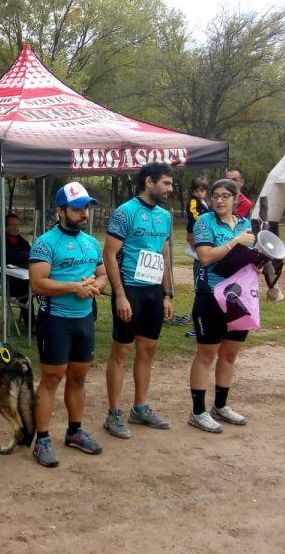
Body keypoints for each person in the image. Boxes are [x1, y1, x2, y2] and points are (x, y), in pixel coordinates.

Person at [29, 182, 107, 467]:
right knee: (51, 379)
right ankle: (43, 440)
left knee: (78, 378)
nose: (84, 213)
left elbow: (101, 275)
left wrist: (93, 287)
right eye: (77, 208)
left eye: (86, 207)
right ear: (60, 210)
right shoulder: (45, 242)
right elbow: (37, 283)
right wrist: (75, 287)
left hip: (84, 320)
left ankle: (74, 432)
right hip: (55, 321)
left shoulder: (91, 242)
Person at [102, 163, 175, 439]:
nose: (170, 189)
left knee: (148, 350)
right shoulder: (125, 212)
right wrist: (119, 294)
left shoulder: (164, 216)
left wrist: (167, 294)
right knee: (121, 352)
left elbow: (165, 255)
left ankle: (140, 408)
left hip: (153, 292)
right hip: (129, 290)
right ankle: (113, 414)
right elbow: (109, 254)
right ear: (149, 181)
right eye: (166, 183)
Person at [188, 178, 255, 433]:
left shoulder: (245, 224)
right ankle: (197, 411)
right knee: (206, 355)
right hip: (210, 295)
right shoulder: (205, 222)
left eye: (225, 195)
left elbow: (246, 255)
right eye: (215, 195)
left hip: (238, 296)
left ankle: (221, 406)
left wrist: (257, 262)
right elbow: (205, 257)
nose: (219, 200)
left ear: (236, 199)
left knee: (230, 354)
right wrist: (235, 242)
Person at [0, 213, 33, 322]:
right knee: (26, 289)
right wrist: (22, 257)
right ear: (6, 226)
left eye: (18, 225)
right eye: (13, 225)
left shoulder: (23, 242)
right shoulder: (0, 243)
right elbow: (8, 258)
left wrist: (21, 257)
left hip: (27, 278)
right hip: (10, 282)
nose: (16, 228)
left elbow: (30, 254)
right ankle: (31, 323)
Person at [183, 176, 210, 337]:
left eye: (204, 189)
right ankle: (198, 325)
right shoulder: (193, 202)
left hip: (202, 241)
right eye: (199, 189)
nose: (202, 192)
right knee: (199, 287)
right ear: (193, 190)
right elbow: (195, 216)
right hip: (197, 240)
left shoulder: (206, 203)